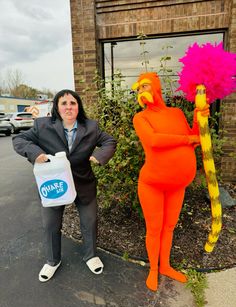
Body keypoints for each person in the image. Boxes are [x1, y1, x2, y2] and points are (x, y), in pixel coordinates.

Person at [12, 89, 116, 282]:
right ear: (57, 107)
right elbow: (19, 139)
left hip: (83, 184)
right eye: (64, 103)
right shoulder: (43, 126)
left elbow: (109, 141)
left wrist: (99, 156)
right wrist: (36, 154)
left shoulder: (91, 127)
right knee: (50, 224)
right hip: (54, 185)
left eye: (73, 103)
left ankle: (91, 256)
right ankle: (52, 261)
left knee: (89, 222)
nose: (69, 107)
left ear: (78, 106)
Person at [131, 72, 209, 291]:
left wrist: (198, 118)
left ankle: (165, 266)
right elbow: (154, 141)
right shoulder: (140, 118)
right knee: (154, 228)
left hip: (177, 185)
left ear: (156, 87)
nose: (140, 92)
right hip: (152, 184)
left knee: (170, 226)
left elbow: (196, 140)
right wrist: (188, 138)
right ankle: (153, 270)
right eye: (138, 89)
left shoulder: (176, 113)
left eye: (144, 86)